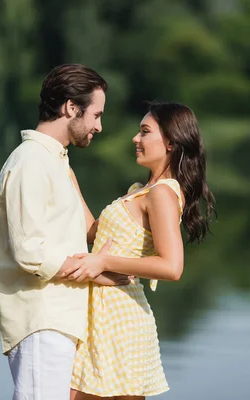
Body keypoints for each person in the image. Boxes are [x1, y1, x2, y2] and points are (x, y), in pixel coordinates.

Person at [0, 63, 129, 400]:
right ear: (71, 108)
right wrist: (95, 272)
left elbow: (87, 230)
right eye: (96, 115)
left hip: (58, 320)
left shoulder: (54, 161)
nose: (99, 125)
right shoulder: (31, 162)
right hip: (42, 321)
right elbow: (30, 250)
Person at [64, 102, 216, 399]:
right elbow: (93, 233)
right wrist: (69, 178)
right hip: (101, 317)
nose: (135, 138)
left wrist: (104, 261)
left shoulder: (162, 193)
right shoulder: (142, 190)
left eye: (145, 132)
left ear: (171, 142)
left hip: (119, 320)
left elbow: (172, 267)